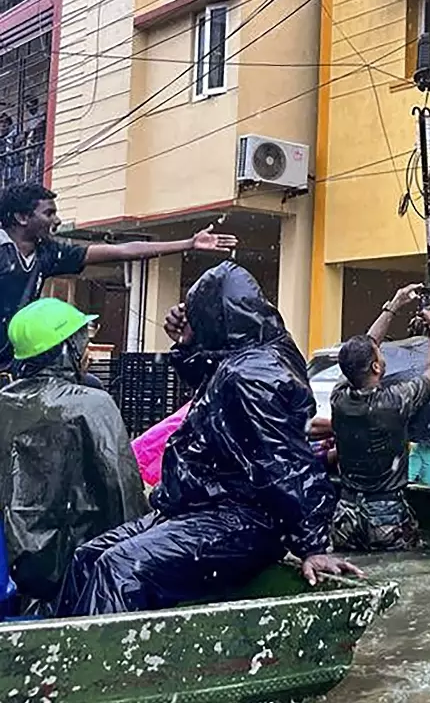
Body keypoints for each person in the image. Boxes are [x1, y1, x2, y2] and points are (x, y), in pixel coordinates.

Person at [54, 263, 361, 617]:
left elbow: (282, 462)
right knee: (88, 556)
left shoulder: (254, 374)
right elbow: (216, 380)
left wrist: (312, 544)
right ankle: (57, 652)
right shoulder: (254, 351)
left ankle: (92, 668)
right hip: (206, 505)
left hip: (243, 518)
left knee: (118, 569)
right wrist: (188, 345)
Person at [0, 183, 237, 381]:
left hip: (17, 362)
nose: (57, 220)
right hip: (11, 359)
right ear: (22, 217)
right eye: (49, 213)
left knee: (89, 386)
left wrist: (188, 243)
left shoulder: (48, 253)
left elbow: (122, 250)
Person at [0, 298, 149, 613]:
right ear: (67, 349)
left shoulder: (4, 402)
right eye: (85, 342)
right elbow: (123, 495)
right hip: (71, 579)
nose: (89, 353)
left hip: (9, 580)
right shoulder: (92, 405)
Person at [329, 283, 430, 552]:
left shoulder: (339, 398)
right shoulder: (395, 402)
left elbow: (366, 349)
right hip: (387, 515)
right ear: (377, 366)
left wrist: (393, 306)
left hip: (346, 515)